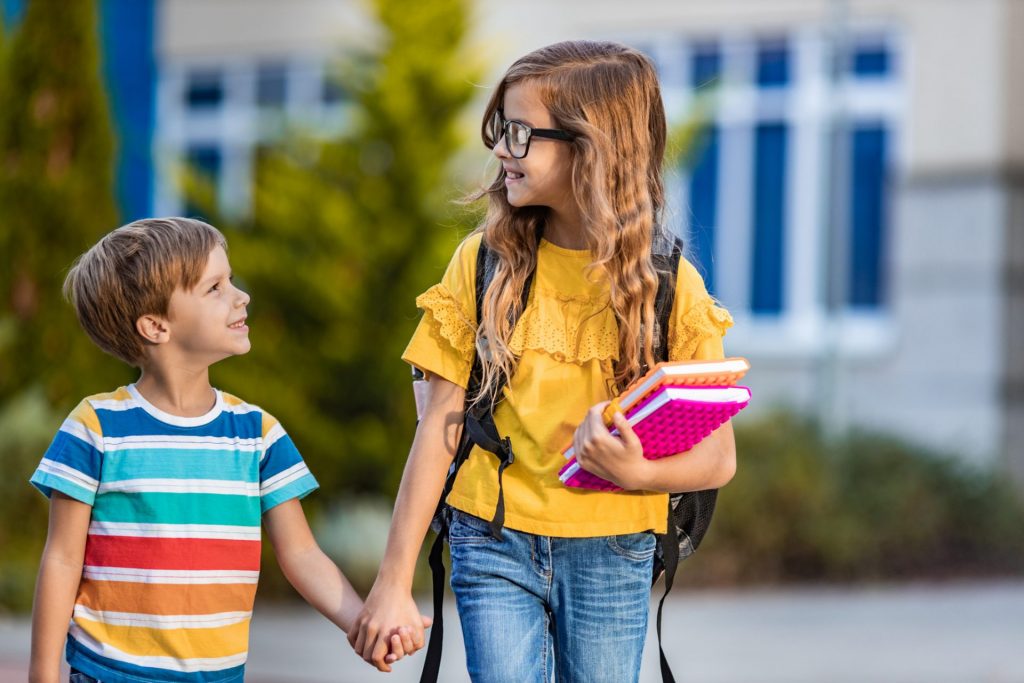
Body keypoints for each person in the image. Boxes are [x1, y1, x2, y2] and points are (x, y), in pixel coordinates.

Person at [350, 40, 737, 682]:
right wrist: (394, 580)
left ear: (593, 151)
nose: (502, 149)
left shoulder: (672, 287)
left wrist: (633, 471)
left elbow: (718, 460)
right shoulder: (482, 265)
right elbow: (437, 431)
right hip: (491, 538)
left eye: (522, 133)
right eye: (501, 129)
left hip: (615, 549)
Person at [27, 217, 423, 683]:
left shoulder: (258, 434)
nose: (241, 296)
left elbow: (301, 555)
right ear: (156, 326)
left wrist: (364, 624)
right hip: (109, 673)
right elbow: (62, 559)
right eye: (215, 287)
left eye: (231, 280)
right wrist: (42, 675)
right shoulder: (96, 428)